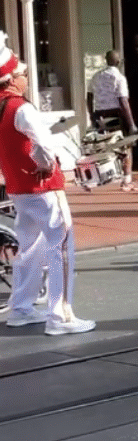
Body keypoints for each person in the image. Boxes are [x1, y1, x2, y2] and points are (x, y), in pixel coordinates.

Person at [0, 37, 96, 335]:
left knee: (29, 249)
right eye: (23, 74)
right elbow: (43, 144)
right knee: (61, 246)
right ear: (11, 79)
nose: (26, 78)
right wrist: (47, 166)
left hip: (18, 187)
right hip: (42, 187)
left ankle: (21, 308)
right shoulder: (21, 108)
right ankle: (61, 316)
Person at [88, 50, 138, 192]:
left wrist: (92, 115)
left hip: (100, 114)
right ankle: (127, 180)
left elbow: (89, 96)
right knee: (126, 146)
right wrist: (131, 123)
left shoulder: (96, 76)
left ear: (106, 60)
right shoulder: (119, 78)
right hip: (116, 114)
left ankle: (96, 178)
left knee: (103, 145)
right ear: (119, 62)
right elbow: (123, 101)